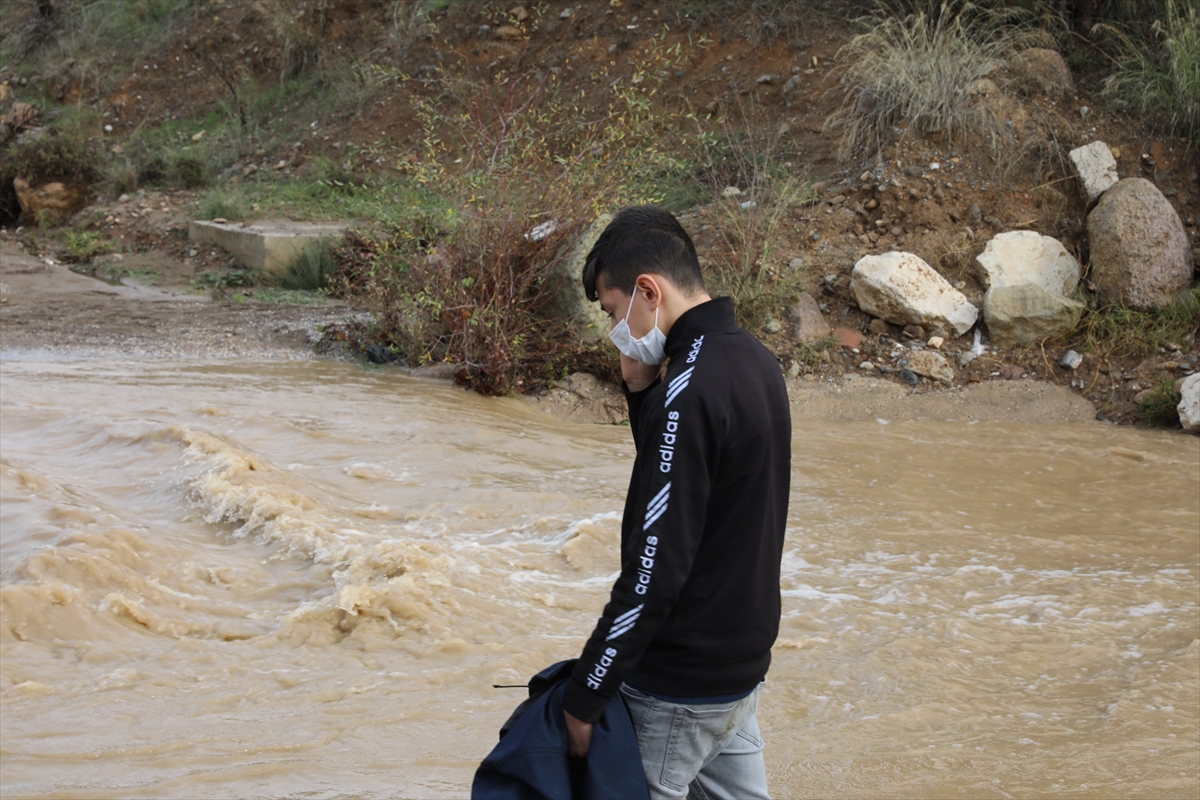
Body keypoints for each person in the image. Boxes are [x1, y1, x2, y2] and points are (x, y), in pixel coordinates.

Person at [561, 205, 791, 799]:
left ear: (647, 290)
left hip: (677, 688)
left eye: (614, 312)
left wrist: (587, 693)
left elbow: (655, 567)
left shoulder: (688, 388)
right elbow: (687, 479)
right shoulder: (754, 361)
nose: (616, 328)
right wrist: (640, 391)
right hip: (737, 671)